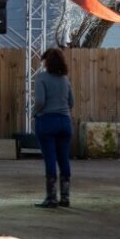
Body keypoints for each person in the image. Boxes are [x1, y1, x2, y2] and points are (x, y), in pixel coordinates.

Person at [34, 48, 75, 209]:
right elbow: (71, 102)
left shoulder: (41, 78)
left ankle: (51, 198)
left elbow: (40, 101)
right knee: (63, 158)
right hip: (65, 122)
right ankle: (65, 197)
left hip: (47, 122)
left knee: (50, 158)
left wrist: (34, 113)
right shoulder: (65, 79)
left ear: (46, 61)